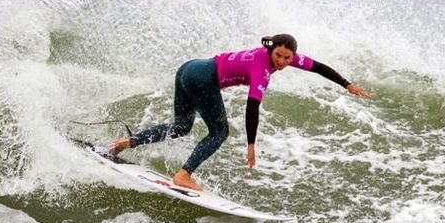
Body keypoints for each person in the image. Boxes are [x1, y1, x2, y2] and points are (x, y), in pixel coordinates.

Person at [108, 34, 372, 191]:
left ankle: (127, 143)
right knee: (220, 132)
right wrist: (251, 143)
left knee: (182, 126)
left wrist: (346, 84)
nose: (281, 62)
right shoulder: (261, 68)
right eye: (278, 56)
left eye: (287, 58)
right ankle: (184, 175)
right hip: (203, 77)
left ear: (293, 56)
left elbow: (318, 67)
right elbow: (252, 106)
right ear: (271, 50)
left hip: (189, 68)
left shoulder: (282, 56)